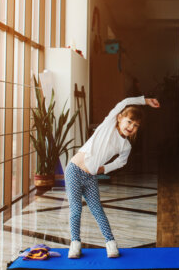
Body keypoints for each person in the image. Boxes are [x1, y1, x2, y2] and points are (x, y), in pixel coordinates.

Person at [65, 96, 160, 259]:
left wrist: (103, 168)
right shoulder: (107, 126)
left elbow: (121, 162)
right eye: (129, 121)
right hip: (74, 170)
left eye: (136, 125)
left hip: (90, 177)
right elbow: (123, 103)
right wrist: (145, 100)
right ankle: (75, 244)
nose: (131, 127)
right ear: (119, 118)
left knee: (97, 210)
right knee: (76, 209)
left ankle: (110, 243)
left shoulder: (126, 145)